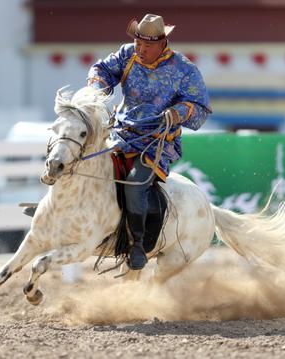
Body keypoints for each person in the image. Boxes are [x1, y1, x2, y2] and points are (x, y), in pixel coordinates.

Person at [87, 14, 212, 270]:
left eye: (146, 46)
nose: (140, 50)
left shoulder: (185, 70)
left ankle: (137, 245)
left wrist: (179, 112)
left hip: (156, 142)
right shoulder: (127, 55)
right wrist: (96, 87)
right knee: (85, 163)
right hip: (119, 134)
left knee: (135, 182)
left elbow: (200, 109)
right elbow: (102, 70)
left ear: (162, 43)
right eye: (137, 44)